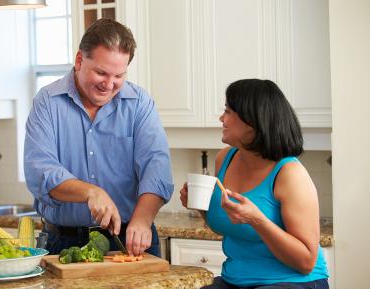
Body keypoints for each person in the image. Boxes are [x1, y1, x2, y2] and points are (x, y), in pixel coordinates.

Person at [24, 18, 173, 257]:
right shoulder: (47, 102)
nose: (109, 84)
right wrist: (90, 192)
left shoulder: (139, 103)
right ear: (79, 60)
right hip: (64, 242)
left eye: (119, 76)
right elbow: (40, 170)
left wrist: (143, 219)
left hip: (129, 239)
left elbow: (157, 167)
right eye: (102, 73)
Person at [180, 79, 329, 289]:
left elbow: (306, 262)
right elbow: (226, 224)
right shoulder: (225, 158)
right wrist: (200, 207)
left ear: (254, 121)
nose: (222, 118)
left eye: (229, 111)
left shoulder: (289, 173)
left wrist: (257, 220)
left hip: (292, 282)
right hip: (235, 281)